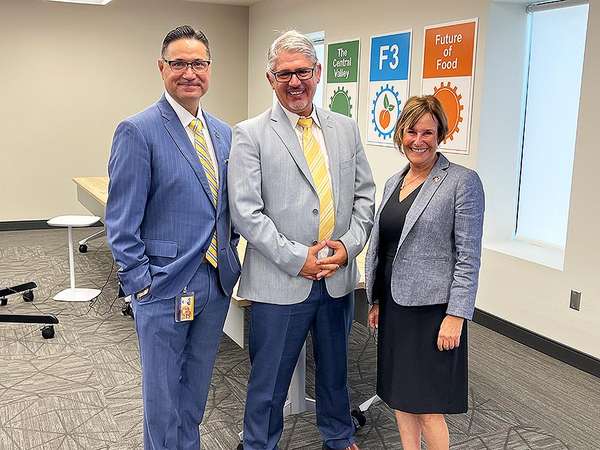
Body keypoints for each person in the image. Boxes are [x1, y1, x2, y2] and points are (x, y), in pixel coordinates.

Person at [228, 30, 375, 450]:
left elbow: (365, 195)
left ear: (318, 72)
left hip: (337, 276)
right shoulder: (251, 134)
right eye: (284, 74)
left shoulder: (345, 129)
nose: (295, 82)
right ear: (270, 79)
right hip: (281, 280)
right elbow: (247, 213)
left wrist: (348, 246)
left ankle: (338, 433)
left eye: (303, 72)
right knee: (269, 380)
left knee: (335, 370)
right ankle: (259, 443)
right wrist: (298, 258)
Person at [105, 25, 240, 450]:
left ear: (210, 69)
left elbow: (226, 206)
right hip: (163, 287)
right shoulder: (138, 130)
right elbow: (121, 222)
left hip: (216, 284)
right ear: (161, 68)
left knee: (195, 392)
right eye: (178, 64)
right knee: (163, 399)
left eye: (197, 63)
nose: (189, 72)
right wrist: (140, 285)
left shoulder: (223, 133)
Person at [364, 95, 485, 450]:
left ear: (440, 135)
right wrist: (377, 301)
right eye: (411, 131)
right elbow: (385, 249)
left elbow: (468, 258)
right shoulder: (393, 182)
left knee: (428, 405)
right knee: (400, 398)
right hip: (394, 309)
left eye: (428, 132)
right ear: (401, 133)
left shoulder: (462, 182)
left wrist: (456, 316)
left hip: (433, 313)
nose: (419, 140)